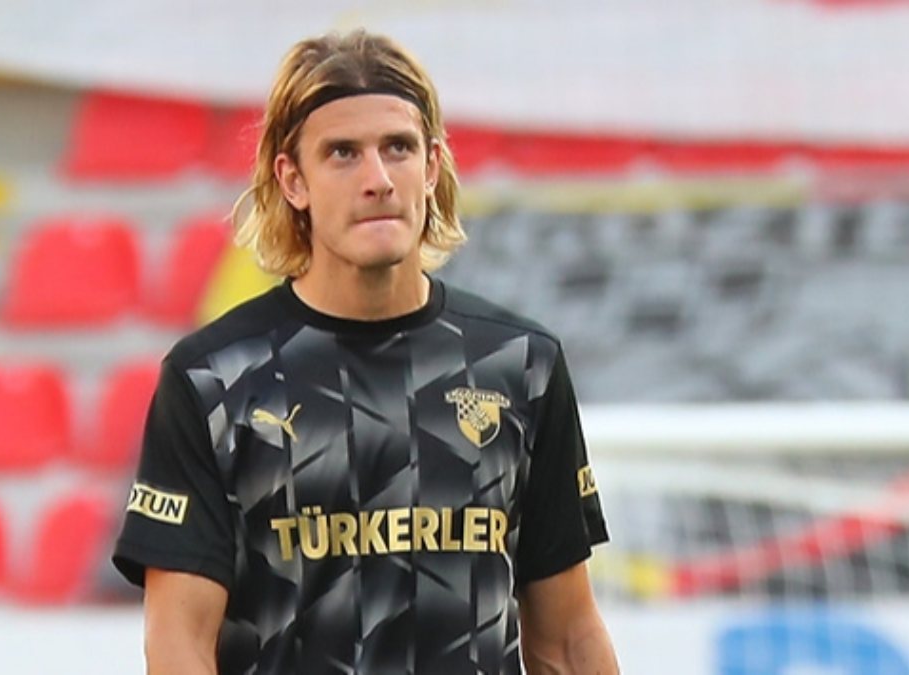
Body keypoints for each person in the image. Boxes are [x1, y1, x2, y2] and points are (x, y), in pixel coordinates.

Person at [113, 29, 618, 675]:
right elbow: (178, 643)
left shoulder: (520, 365)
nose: (377, 179)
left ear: (431, 168)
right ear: (293, 180)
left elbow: (568, 638)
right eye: (343, 153)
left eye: (398, 148)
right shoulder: (214, 380)